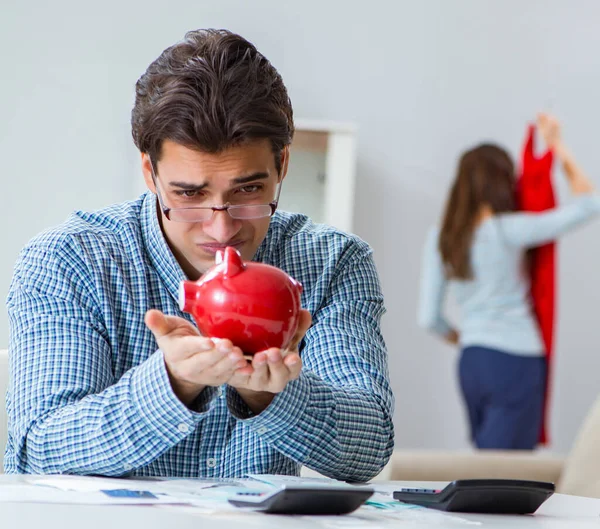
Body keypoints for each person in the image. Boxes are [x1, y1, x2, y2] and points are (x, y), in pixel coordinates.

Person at [5, 29, 394, 480]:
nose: (222, 228)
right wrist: (173, 383)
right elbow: (40, 450)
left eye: (248, 190)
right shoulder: (70, 260)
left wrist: (272, 395)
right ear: (150, 172)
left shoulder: (333, 263)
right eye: (189, 194)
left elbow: (368, 450)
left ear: (283, 165)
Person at [417, 114, 600, 450]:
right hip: (517, 359)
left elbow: (429, 318)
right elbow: (590, 204)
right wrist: (556, 143)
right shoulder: (509, 229)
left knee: (488, 466)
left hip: (472, 362)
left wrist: (468, 337)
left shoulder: (440, 238)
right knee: (503, 476)